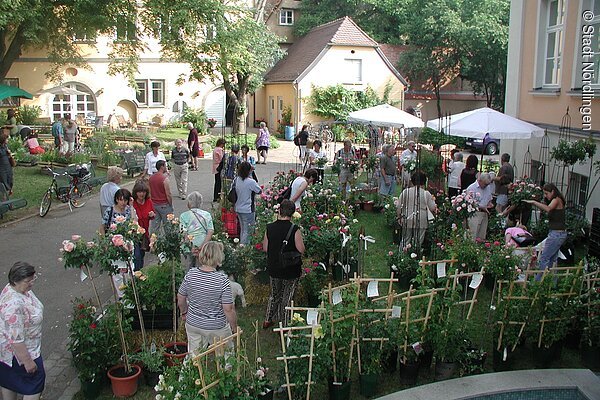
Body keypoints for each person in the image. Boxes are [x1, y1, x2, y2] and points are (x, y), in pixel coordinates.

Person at [177, 241, 237, 355]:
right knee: (227, 356)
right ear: (218, 257)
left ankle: (190, 366)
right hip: (216, 326)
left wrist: (184, 312)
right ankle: (225, 366)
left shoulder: (190, 274)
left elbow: (180, 297)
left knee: (194, 356)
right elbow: (228, 309)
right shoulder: (222, 280)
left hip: (193, 323)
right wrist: (234, 327)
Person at [0, 262, 45, 400]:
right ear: (15, 281)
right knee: (34, 385)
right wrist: (27, 362)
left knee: (8, 382)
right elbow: (16, 339)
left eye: (33, 278)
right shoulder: (13, 306)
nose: (32, 283)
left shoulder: (18, 289)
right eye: (28, 281)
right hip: (20, 354)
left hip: (6, 352)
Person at [262, 199, 305, 329]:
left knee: (274, 294)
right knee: (288, 296)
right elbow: (301, 249)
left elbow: (265, 248)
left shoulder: (270, 228)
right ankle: (285, 324)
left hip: (274, 267)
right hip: (291, 269)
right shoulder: (294, 229)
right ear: (292, 213)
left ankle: (268, 319)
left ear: (279, 211)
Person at [524, 183, 567, 270]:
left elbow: (548, 209)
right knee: (552, 259)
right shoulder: (556, 200)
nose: (545, 196)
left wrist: (534, 202)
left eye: (547, 193)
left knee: (544, 258)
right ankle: (550, 278)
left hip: (556, 234)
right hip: (557, 233)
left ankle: (540, 278)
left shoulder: (556, 199)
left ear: (553, 192)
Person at [397, 170, 437, 250]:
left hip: (407, 217)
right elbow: (432, 207)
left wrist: (399, 217)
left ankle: (402, 253)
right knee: (418, 240)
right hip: (421, 219)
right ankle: (415, 253)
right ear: (424, 181)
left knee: (405, 239)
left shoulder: (406, 192)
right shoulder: (426, 193)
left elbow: (399, 206)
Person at [180, 192, 214, 269]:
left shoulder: (184, 216)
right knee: (202, 269)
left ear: (189, 203)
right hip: (203, 244)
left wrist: (190, 246)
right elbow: (210, 231)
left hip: (189, 246)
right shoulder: (207, 215)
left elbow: (183, 232)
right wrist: (202, 246)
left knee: (188, 268)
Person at [234, 162, 261, 245]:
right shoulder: (250, 182)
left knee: (243, 229)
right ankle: (244, 248)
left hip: (238, 207)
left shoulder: (237, 179)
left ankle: (241, 245)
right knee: (248, 231)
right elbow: (259, 190)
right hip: (248, 209)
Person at [132, 180, 154, 271]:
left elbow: (152, 215)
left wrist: (152, 215)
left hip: (144, 233)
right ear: (136, 193)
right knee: (136, 255)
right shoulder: (133, 203)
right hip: (134, 233)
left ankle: (140, 271)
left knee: (141, 254)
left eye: (144, 192)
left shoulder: (149, 202)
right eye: (139, 192)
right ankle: (136, 272)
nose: (142, 194)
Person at [466, 173, 494, 241]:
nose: (486, 186)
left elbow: (489, 199)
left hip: (485, 213)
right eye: (485, 184)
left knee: (482, 236)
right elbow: (468, 203)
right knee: (472, 235)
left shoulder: (488, 187)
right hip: (475, 213)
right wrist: (481, 207)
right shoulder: (471, 188)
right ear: (480, 181)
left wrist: (490, 204)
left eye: (487, 184)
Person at [149, 160, 173, 236]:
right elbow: (168, 194)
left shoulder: (151, 178)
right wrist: (170, 204)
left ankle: (153, 240)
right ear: (162, 167)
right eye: (165, 166)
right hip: (164, 204)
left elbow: (149, 192)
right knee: (168, 226)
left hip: (154, 204)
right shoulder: (164, 179)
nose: (166, 167)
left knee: (154, 226)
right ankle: (169, 240)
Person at [213, 138, 226, 202]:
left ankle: (216, 196)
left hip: (215, 166)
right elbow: (221, 158)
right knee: (219, 182)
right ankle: (218, 196)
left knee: (217, 182)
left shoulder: (215, 149)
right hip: (219, 166)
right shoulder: (219, 150)